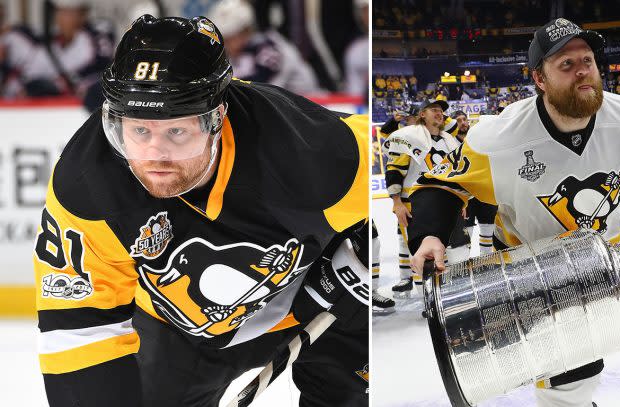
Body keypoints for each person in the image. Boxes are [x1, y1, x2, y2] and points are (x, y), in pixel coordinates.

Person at [33, 15, 369, 407]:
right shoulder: (88, 185)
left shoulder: (306, 153)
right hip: (177, 330)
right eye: (139, 131)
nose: (155, 156)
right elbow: (80, 331)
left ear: (216, 118)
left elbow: (385, 163)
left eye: (176, 131)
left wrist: (364, 249)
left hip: (314, 298)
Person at [408, 18, 620, 407]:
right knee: (569, 373)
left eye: (587, 60)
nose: (582, 71)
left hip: (599, 266)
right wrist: (429, 234)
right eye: (566, 64)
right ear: (539, 79)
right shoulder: (498, 137)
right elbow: (441, 185)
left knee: (579, 368)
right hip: (523, 266)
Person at [383, 100, 460, 298]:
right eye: (434, 110)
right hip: (413, 202)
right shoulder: (409, 137)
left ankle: (443, 293)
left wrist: (460, 200)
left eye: (442, 111)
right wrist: (397, 202)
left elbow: (455, 172)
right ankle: (427, 297)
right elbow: (394, 171)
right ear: (422, 114)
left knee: (444, 247)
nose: (440, 113)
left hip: (445, 199)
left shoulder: (449, 140)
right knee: (420, 249)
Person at [451, 110, 498, 254]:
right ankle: (466, 270)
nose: (463, 123)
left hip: (485, 192)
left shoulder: (477, 138)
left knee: (488, 234)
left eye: (464, 119)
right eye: (458, 120)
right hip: (465, 196)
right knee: (465, 239)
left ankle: (487, 267)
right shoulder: (449, 142)